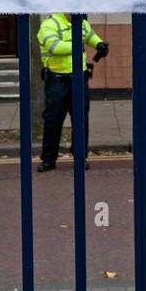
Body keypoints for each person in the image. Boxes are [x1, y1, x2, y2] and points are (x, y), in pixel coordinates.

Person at [37, 13, 107, 172]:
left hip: (78, 79)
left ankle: (81, 157)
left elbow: (90, 36)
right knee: (53, 121)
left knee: (81, 120)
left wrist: (99, 44)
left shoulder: (80, 23)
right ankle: (48, 159)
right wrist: (78, 43)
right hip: (57, 80)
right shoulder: (50, 24)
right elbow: (54, 47)